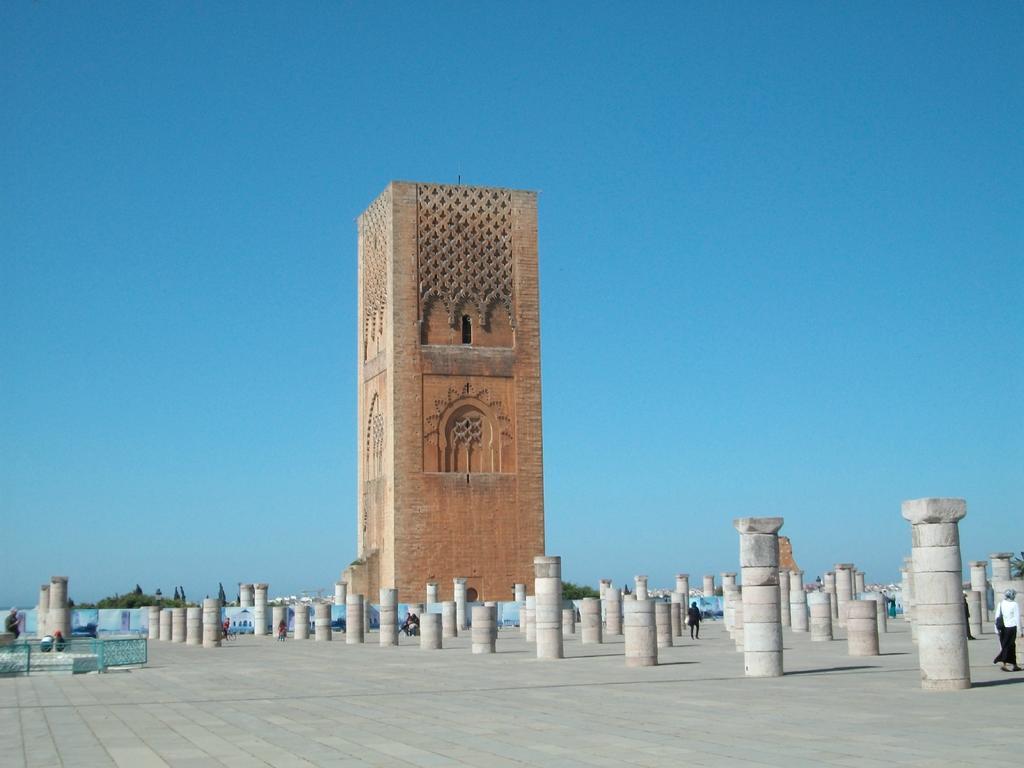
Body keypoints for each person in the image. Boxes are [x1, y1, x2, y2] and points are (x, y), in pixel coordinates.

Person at [993, 588, 1022, 672]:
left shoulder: (1001, 604)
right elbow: (1017, 618)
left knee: (1005, 645)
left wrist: (996, 629)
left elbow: (997, 617)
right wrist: (1020, 631)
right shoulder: (1014, 604)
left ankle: (1013, 665)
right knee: (1010, 646)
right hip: (1012, 628)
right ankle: (1005, 663)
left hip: (1002, 628)